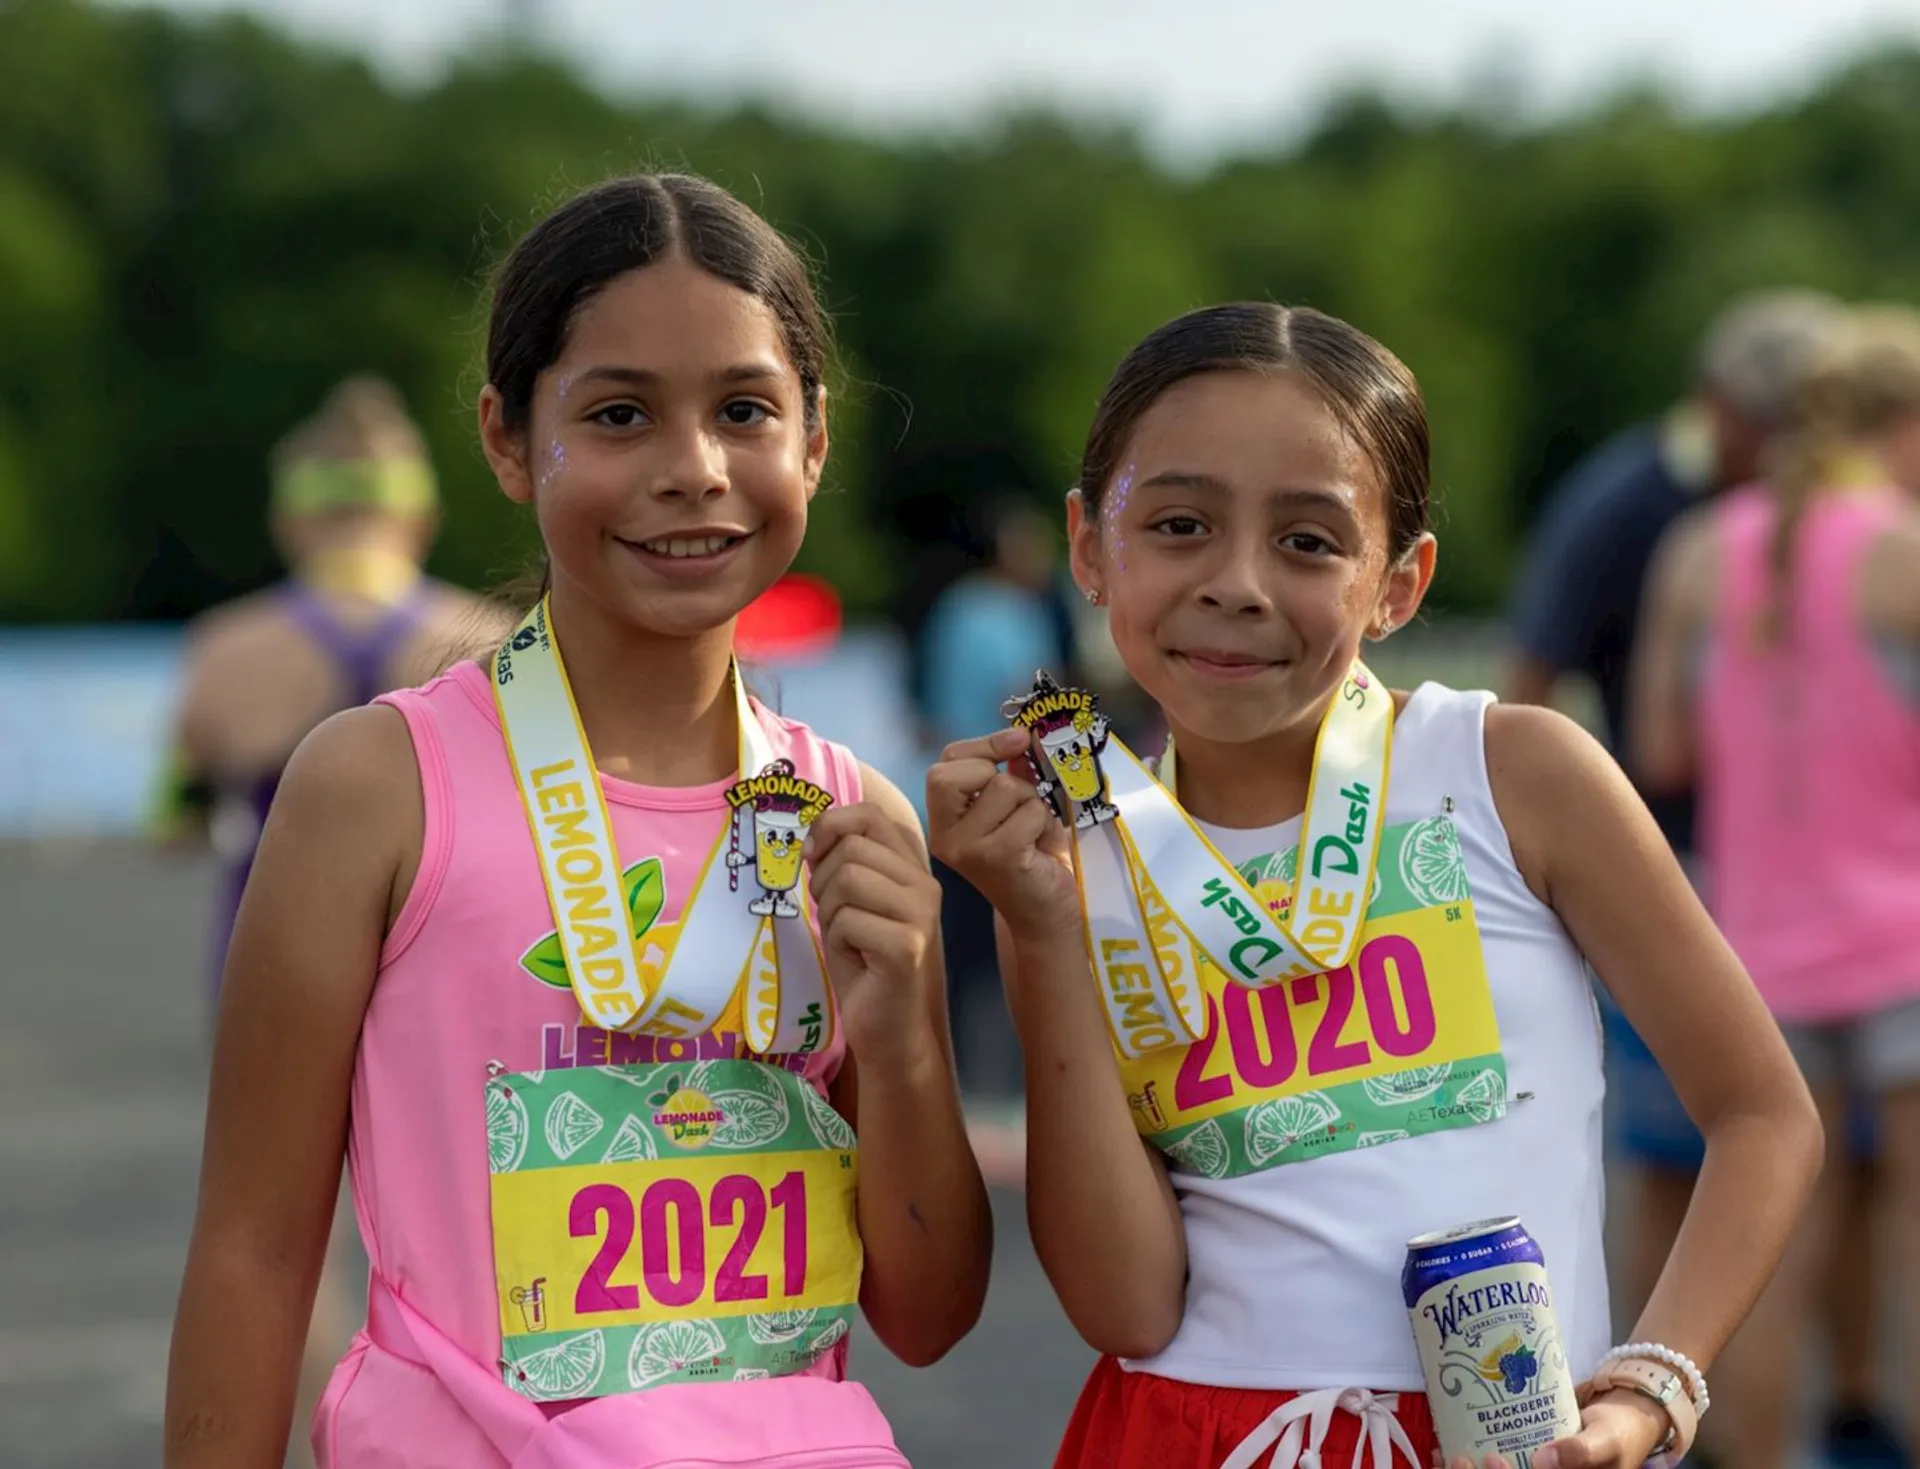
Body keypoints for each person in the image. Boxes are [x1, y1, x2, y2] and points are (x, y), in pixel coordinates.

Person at [163, 172, 992, 1469]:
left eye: (744, 410)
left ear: (814, 439)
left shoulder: (850, 819)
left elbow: (928, 1316)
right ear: (505, 437)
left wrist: (900, 1047)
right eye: (618, 413)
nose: (692, 468)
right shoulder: (377, 787)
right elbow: (256, 1251)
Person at [927, 302, 1821, 1469]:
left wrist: (1654, 1385)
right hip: (1186, 1432)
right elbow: (1125, 1309)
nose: (1238, 582)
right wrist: (1039, 927)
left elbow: (1763, 1115)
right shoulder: (1069, 858)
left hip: (1507, 1434)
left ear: (1399, 582)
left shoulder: (1514, 771)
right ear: (1091, 546)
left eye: (1309, 541)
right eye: (1181, 522)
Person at [1501, 292, 1859, 1429]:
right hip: (1668, 865)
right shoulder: (1635, 503)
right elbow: (1534, 671)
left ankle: (1834, 1400)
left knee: (1828, 1166)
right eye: (1784, 421)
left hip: (1796, 871)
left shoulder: (1768, 520)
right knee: (1679, 1158)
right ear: (1725, 409)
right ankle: (1659, 1395)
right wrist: (1530, 851)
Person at [154, 374, 501, 1469]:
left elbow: (173, 814)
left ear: (293, 512)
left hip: (270, 948)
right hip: (446, 955)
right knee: (454, 1220)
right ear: (419, 510)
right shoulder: (486, 634)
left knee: (271, 1226)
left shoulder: (225, 646)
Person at [1630, 305, 1920, 1469]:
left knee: (1764, 1241)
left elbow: (1665, 750)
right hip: (1905, 933)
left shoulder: (1699, 550)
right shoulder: (1904, 548)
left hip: (1756, 941)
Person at [918, 496, 1072, 1108]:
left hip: (946, 792)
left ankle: (959, 1078)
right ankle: (997, 1084)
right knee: (998, 942)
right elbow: (1030, 705)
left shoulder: (957, 609)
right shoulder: (1003, 613)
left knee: (954, 949)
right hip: (997, 803)